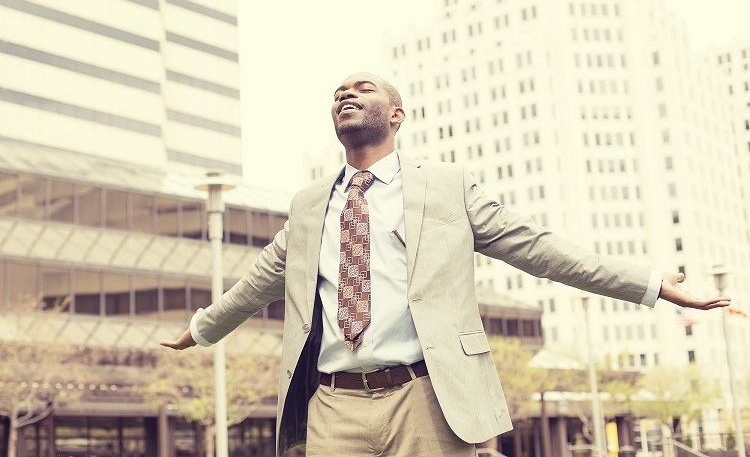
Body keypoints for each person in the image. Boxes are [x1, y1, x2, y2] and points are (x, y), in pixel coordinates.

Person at [161, 72, 730, 457]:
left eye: (362, 89)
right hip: (333, 405)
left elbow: (538, 247)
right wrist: (202, 328)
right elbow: (262, 279)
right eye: (338, 93)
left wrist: (651, 284)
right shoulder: (310, 203)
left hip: (427, 399)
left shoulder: (447, 186)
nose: (345, 96)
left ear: (397, 114)